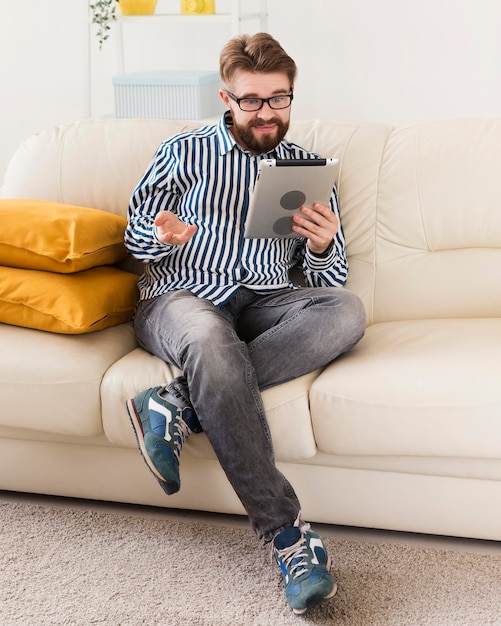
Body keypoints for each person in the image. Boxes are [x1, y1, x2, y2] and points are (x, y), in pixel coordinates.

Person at [124, 32, 366, 615]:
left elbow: (326, 284)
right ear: (227, 100)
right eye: (252, 101)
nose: (267, 113)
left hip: (264, 301)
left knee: (347, 312)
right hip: (182, 296)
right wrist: (160, 233)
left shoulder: (307, 168)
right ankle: (287, 537)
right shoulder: (182, 152)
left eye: (278, 99)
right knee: (209, 338)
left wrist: (324, 244)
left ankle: (176, 403)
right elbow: (133, 240)